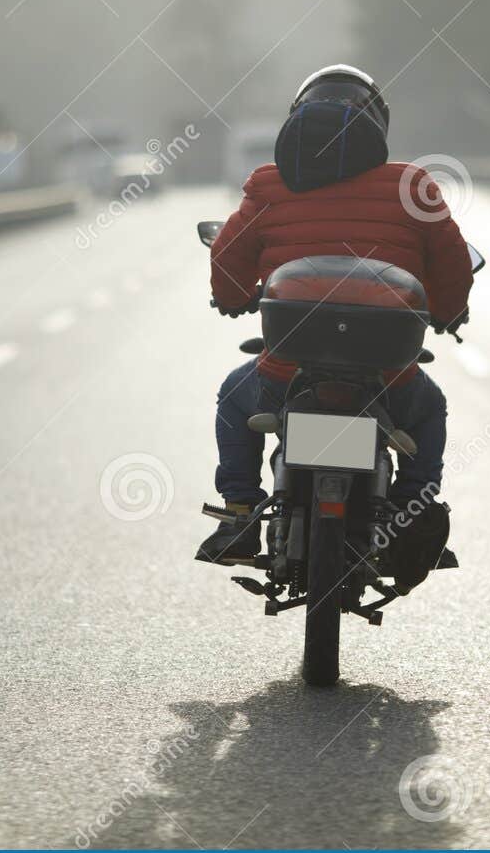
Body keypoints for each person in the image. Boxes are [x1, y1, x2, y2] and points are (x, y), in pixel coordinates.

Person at [198, 64, 473, 569]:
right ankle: (409, 515)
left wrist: (235, 297)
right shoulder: (413, 185)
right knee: (429, 409)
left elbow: (228, 260)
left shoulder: (266, 184)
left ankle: (238, 516)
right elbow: (453, 265)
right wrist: (450, 312)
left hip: (286, 376)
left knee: (235, 400)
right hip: (387, 380)